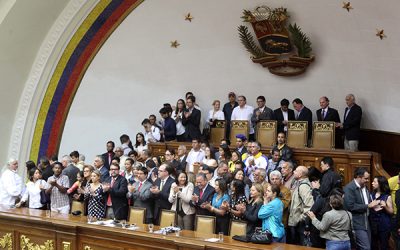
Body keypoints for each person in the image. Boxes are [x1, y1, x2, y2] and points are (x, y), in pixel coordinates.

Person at [344, 167, 377, 250]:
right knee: (366, 248)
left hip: (367, 222)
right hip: (357, 223)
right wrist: (368, 206)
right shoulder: (349, 188)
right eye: (366, 178)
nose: (368, 180)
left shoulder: (365, 187)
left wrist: (375, 206)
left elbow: (368, 202)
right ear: (358, 177)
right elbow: (350, 206)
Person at [288, 166, 314, 245]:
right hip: (294, 222)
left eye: (295, 171)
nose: (293, 172)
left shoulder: (304, 186)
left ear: (300, 174)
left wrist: (300, 219)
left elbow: (309, 205)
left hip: (299, 224)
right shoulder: (297, 183)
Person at [369, 176, 393, 250]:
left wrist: (385, 206)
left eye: (374, 182)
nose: (372, 183)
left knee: (384, 246)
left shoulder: (387, 196)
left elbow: (391, 212)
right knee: (373, 245)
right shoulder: (370, 195)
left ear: (380, 184)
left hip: (383, 225)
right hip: (372, 224)